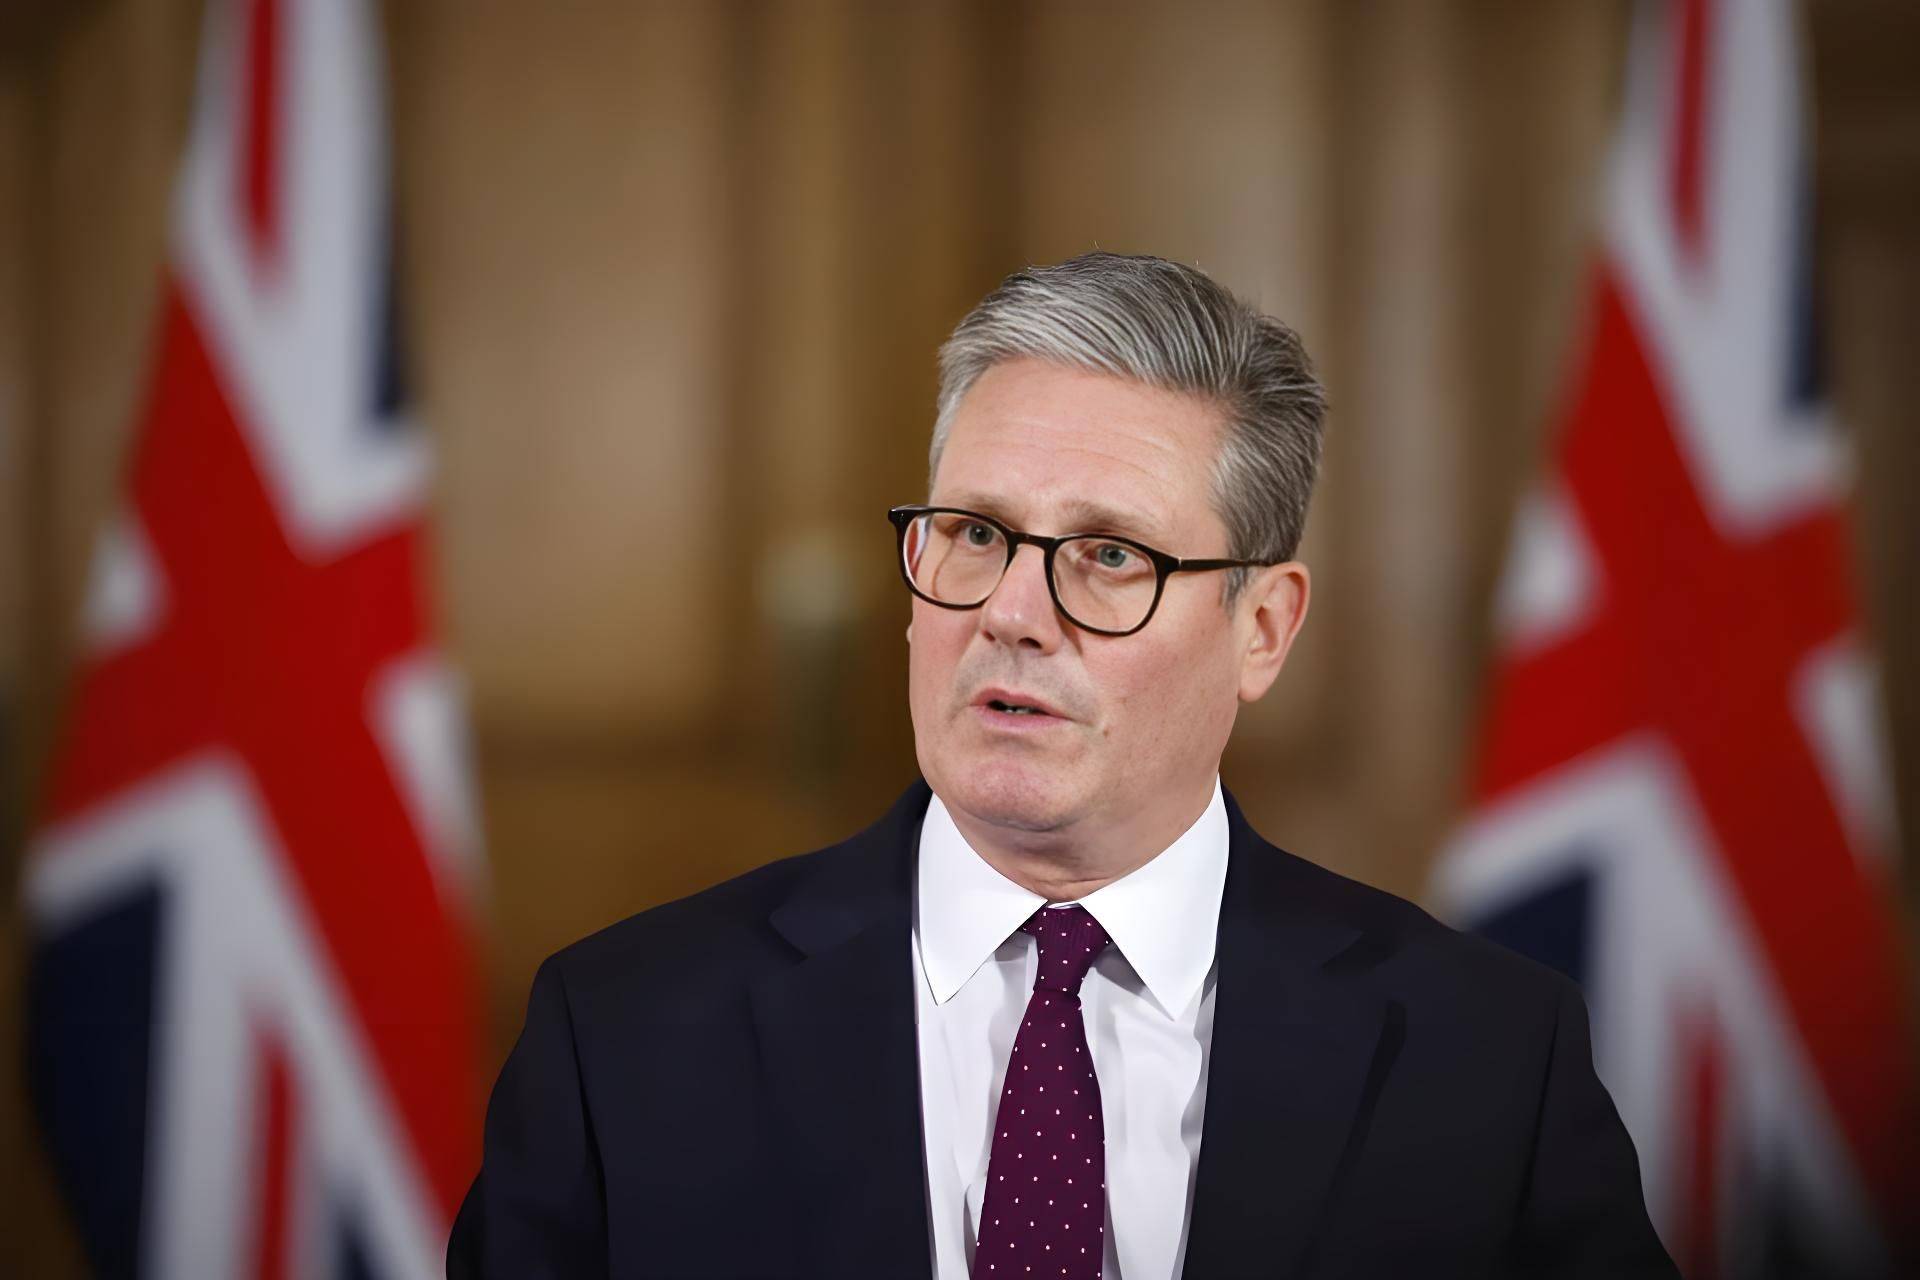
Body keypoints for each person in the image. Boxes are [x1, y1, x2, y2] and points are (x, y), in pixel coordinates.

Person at [446, 252, 1679, 1279]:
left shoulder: (1484, 1057)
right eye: (975, 532)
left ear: (1262, 628)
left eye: (1110, 555)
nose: (1011, 613)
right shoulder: (624, 1035)